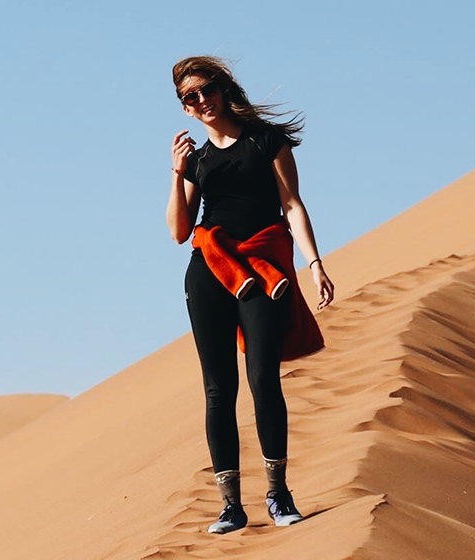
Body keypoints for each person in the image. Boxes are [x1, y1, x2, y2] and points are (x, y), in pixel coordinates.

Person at [165, 56, 335, 534]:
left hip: (264, 268)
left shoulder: (266, 141)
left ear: (222, 89)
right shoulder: (197, 160)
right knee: (218, 389)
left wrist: (315, 263)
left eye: (205, 91)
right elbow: (179, 232)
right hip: (210, 271)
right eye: (189, 98)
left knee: (263, 377)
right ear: (184, 109)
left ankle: (279, 494)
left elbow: (292, 205)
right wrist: (176, 174)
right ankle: (230, 506)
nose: (201, 102)